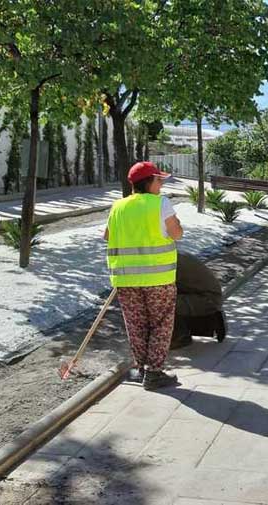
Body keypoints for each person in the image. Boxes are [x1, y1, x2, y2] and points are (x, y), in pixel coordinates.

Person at [104, 161, 184, 390]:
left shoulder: (118, 206)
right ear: (148, 182)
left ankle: (141, 369)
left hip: (126, 279)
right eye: (159, 180)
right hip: (158, 279)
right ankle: (154, 373)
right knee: (160, 324)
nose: (161, 185)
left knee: (135, 324)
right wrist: (175, 225)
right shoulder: (161, 203)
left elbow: (107, 236)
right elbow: (176, 233)